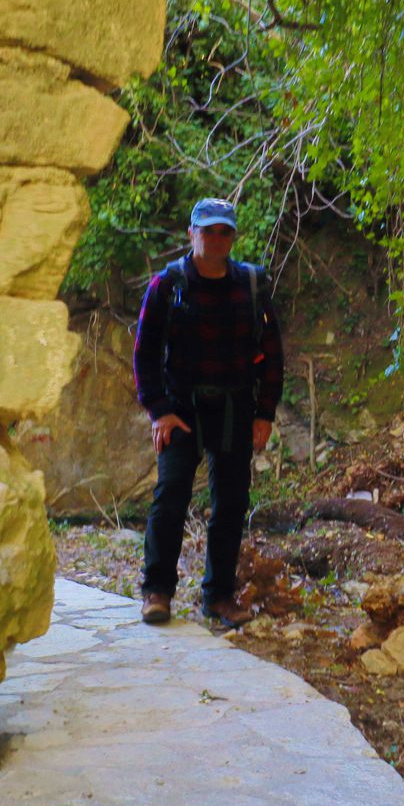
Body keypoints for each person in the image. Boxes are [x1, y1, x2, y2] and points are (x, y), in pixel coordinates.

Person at [131, 197, 283, 628]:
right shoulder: (168, 285)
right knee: (171, 496)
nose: (216, 239)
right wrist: (158, 411)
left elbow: (273, 354)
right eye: (208, 230)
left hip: (236, 407)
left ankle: (218, 597)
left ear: (233, 237)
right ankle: (157, 591)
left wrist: (265, 412)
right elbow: (144, 352)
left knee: (232, 503)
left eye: (224, 232)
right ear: (191, 234)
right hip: (181, 407)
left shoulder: (253, 285)